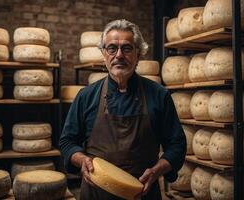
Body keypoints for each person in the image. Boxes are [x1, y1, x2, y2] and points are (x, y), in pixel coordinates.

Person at [59, 19, 186, 200]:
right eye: (112, 48)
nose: (119, 55)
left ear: (138, 54)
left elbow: (177, 145)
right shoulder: (86, 96)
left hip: (143, 193)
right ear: (104, 54)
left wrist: (158, 170)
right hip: (96, 193)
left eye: (126, 48)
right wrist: (82, 160)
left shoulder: (159, 95)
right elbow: (67, 142)